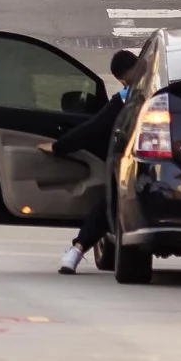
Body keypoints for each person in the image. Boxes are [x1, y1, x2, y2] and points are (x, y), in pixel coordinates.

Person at [56, 48, 140, 274]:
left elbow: (92, 129)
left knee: (109, 204)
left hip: (131, 164)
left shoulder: (122, 100)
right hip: (169, 164)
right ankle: (76, 251)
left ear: (121, 79)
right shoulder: (162, 89)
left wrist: (58, 147)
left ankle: (76, 251)